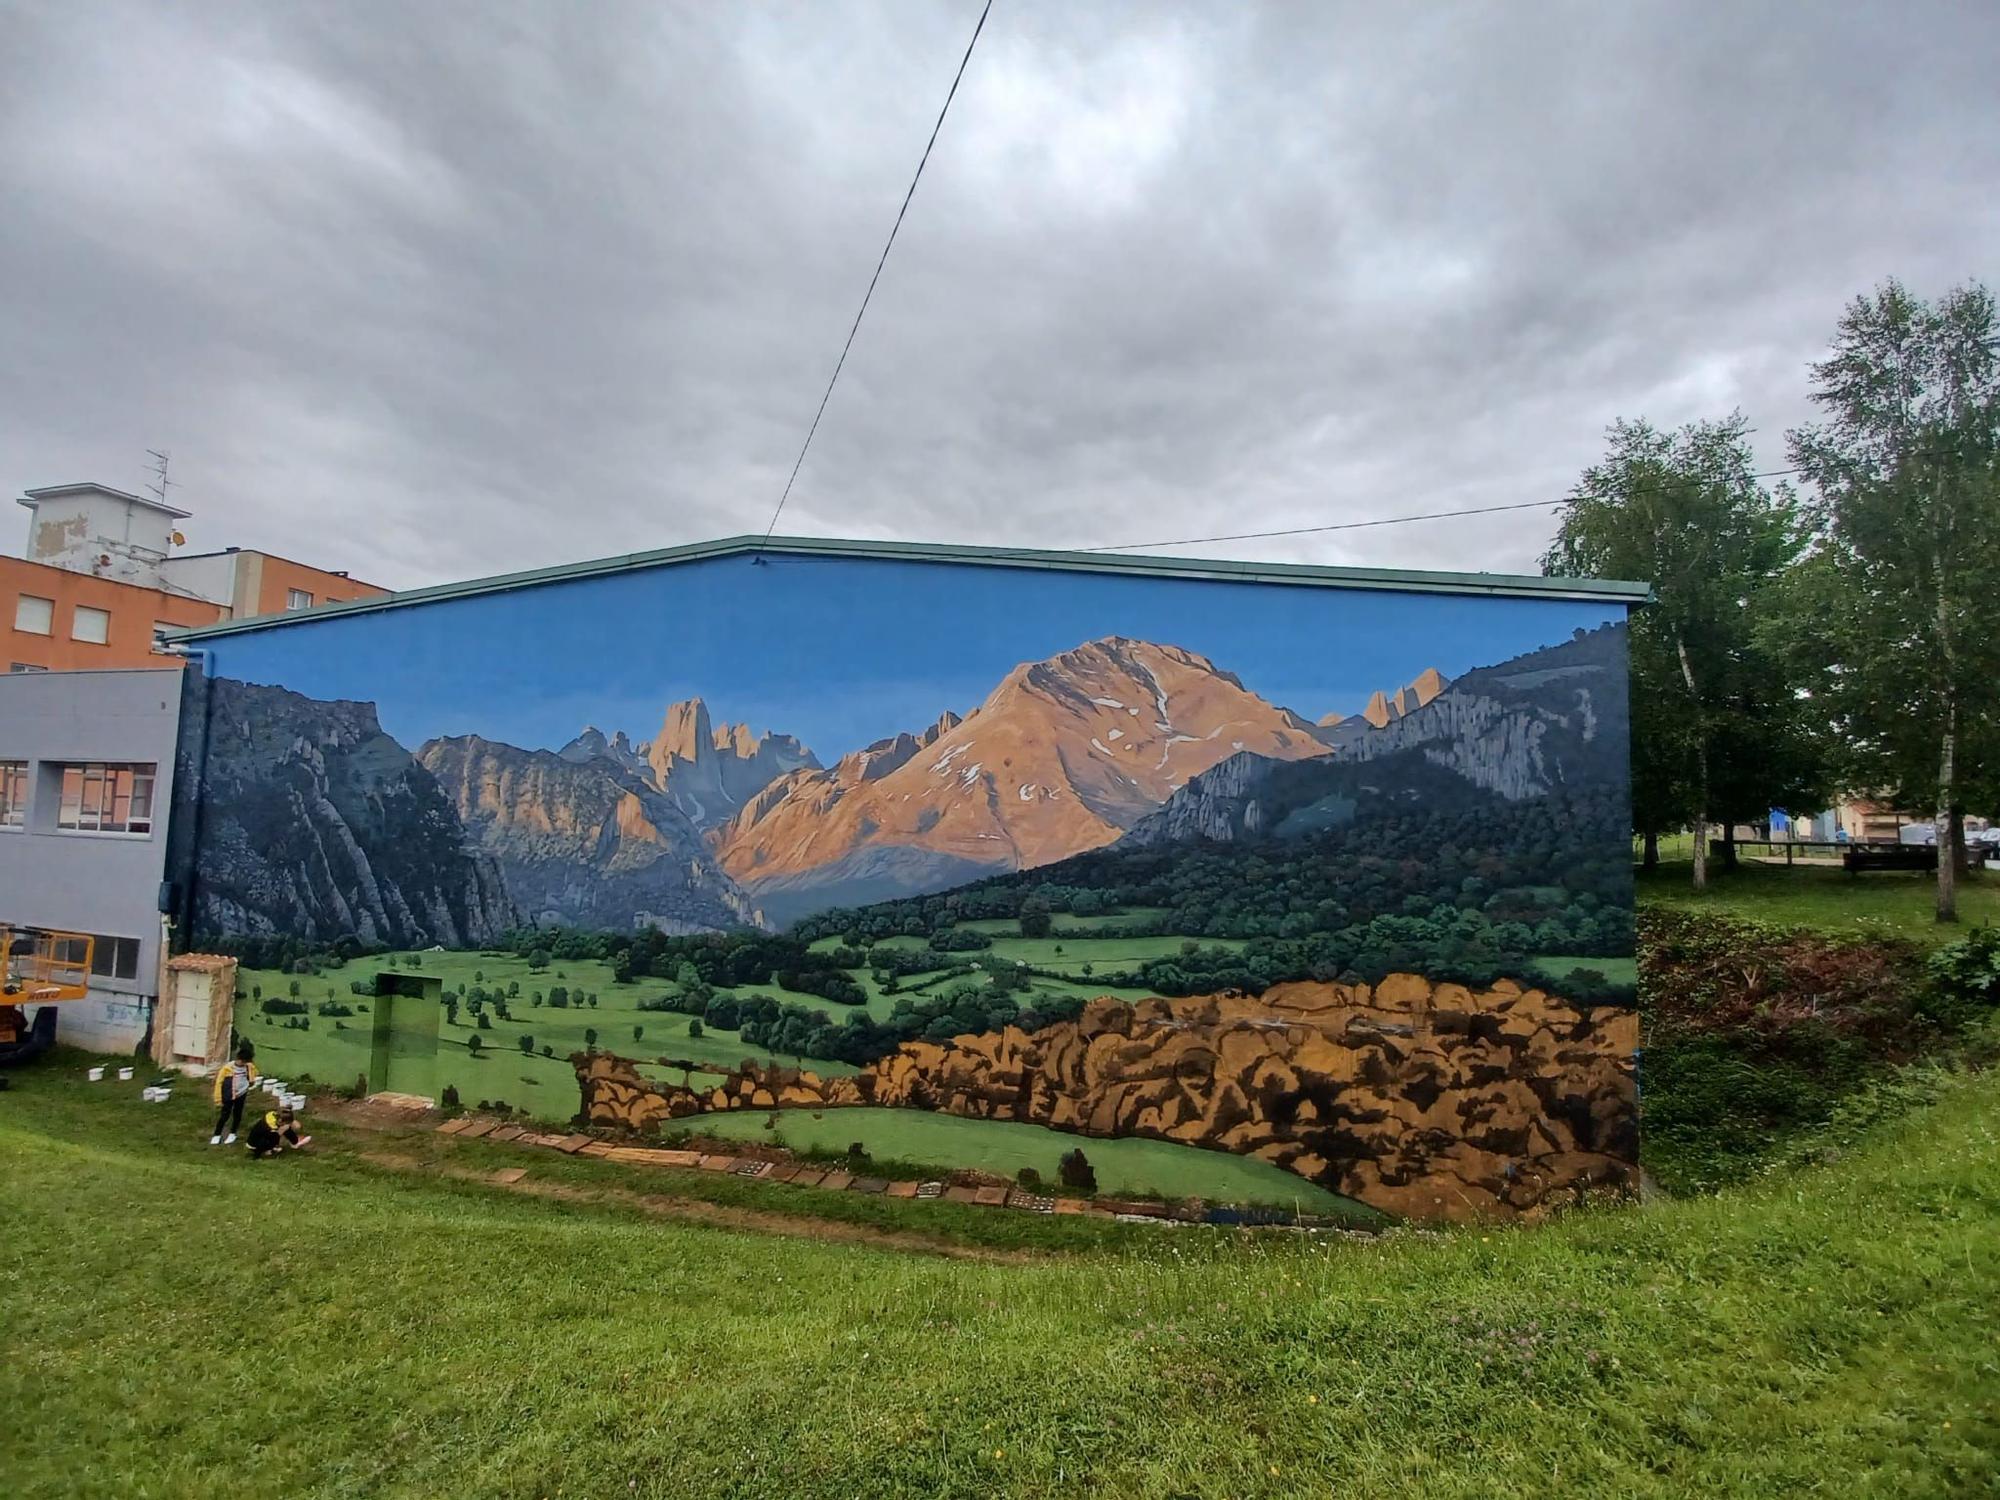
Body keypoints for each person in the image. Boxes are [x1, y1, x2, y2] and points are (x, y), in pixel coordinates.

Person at [210, 1040, 259, 1146]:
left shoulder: (248, 1066)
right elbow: (219, 1083)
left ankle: (233, 1133)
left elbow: (254, 1073)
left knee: (237, 1114)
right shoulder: (227, 1069)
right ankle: (217, 1134)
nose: (244, 1064)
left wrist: (251, 1080)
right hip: (229, 1095)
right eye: (243, 1062)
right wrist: (218, 1098)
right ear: (238, 1059)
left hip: (241, 1094)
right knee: (224, 1115)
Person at [245, 1105, 311, 1158]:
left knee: (284, 1128)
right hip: (255, 1146)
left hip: (256, 1139)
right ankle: (294, 1143)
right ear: (281, 1121)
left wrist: (290, 1123)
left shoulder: (272, 1114)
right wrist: (282, 1130)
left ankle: (294, 1142)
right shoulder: (271, 1128)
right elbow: (275, 1137)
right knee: (284, 1129)